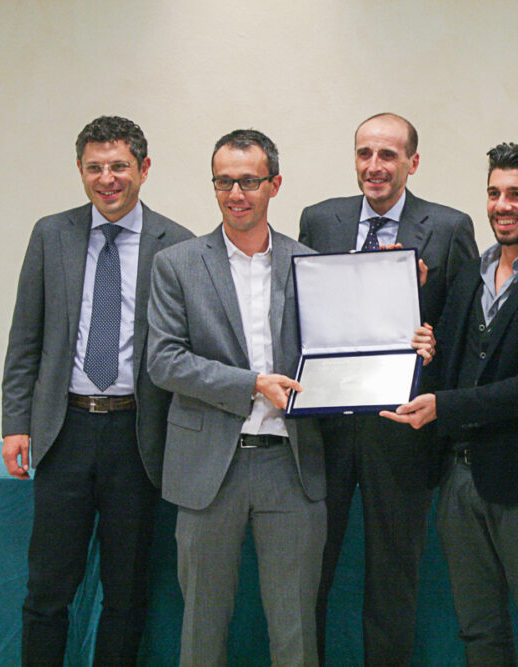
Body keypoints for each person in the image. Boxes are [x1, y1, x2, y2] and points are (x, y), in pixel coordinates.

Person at [383, 143, 518, 666]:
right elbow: (447, 361)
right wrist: (422, 340)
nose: (503, 206)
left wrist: (444, 406)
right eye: (494, 193)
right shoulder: (468, 274)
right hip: (459, 480)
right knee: (478, 631)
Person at [1, 115, 193, 664]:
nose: (106, 179)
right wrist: (15, 423)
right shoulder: (51, 234)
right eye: (94, 168)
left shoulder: (177, 244)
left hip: (138, 436)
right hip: (64, 430)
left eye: (119, 166)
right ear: (81, 170)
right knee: (48, 588)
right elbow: (25, 337)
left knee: (126, 591)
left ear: (144, 169)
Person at [298, 112, 476, 664]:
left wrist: (433, 339)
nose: (374, 166)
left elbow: (465, 329)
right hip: (326, 426)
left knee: (393, 580)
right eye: (364, 154)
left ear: (412, 163)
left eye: (388, 155)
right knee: (309, 575)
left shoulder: (449, 227)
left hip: (401, 430)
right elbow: (304, 315)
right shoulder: (319, 220)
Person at [147, 129, 326, 666]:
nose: (235, 194)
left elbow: (337, 353)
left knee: (296, 630)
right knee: (201, 629)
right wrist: (252, 384)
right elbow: (164, 361)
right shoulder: (177, 264)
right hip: (208, 469)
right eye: (223, 182)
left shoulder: (310, 263)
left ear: (275, 184)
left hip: (291, 466)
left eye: (249, 181)